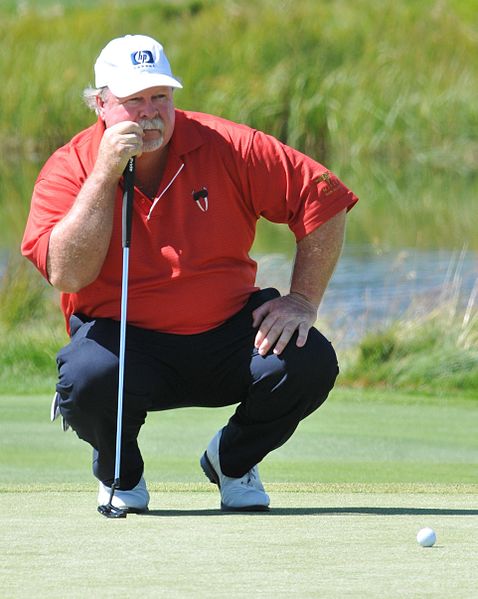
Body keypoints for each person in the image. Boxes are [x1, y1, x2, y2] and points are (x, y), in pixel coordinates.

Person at [22, 34, 358, 513]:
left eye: (160, 96)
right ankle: (123, 475)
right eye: (132, 100)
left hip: (225, 336)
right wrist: (105, 174)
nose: (149, 112)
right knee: (85, 377)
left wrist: (302, 299)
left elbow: (323, 198)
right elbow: (67, 275)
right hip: (125, 344)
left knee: (308, 360)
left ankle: (233, 461)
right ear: (100, 104)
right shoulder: (71, 167)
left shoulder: (225, 144)